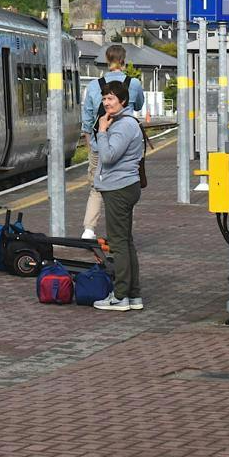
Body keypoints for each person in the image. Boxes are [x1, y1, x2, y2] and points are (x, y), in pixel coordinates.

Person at [88, 78, 145, 312]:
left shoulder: (123, 125)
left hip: (119, 188)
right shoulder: (123, 121)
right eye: (104, 98)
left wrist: (102, 132)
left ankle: (120, 296)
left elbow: (109, 156)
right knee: (126, 242)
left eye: (111, 98)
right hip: (123, 186)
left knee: (118, 244)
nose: (106, 102)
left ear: (122, 100)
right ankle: (133, 295)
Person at [80, 45, 145, 240]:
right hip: (126, 143)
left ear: (107, 60)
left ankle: (89, 229)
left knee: (96, 187)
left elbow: (87, 119)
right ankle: (123, 230)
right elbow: (140, 105)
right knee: (124, 184)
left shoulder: (93, 85)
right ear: (124, 59)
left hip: (99, 142)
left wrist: (90, 143)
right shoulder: (133, 83)